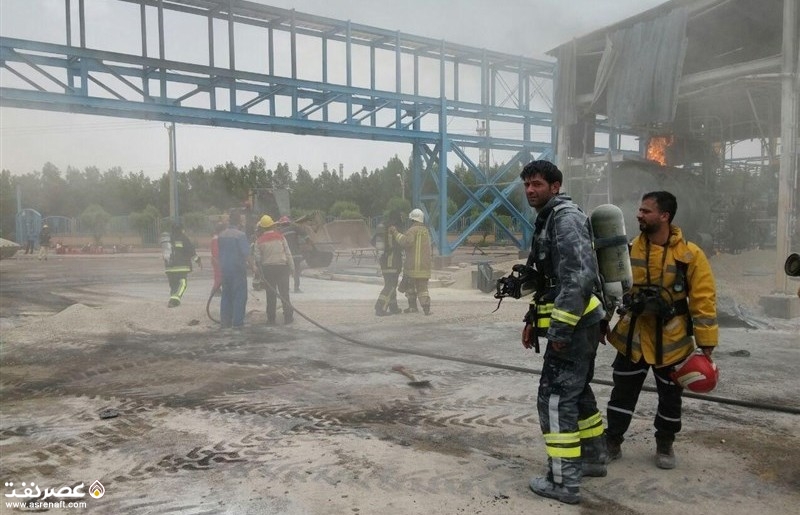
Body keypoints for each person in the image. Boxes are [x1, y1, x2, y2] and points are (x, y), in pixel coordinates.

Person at [605, 191, 718, 470]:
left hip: (672, 342)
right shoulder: (627, 250)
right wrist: (601, 321)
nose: (638, 215)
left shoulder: (690, 255)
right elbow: (610, 287)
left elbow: (703, 300)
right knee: (622, 392)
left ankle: (665, 443)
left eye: (646, 211)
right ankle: (612, 441)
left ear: (664, 216)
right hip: (633, 337)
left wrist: (706, 343)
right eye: (640, 210)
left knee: (670, 397)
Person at [519, 160, 607, 505]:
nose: (530, 190)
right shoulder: (550, 218)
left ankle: (563, 481)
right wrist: (532, 319)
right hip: (579, 324)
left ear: (556, 186)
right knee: (578, 392)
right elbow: (549, 281)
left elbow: (579, 277)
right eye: (527, 184)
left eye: (537, 184)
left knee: (554, 400)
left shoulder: (565, 218)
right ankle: (593, 457)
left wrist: (558, 329)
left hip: (573, 326)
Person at [254, 215, 294, 325]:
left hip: (268, 269)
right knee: (284, 293)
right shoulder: (280, 237)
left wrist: (260, 273)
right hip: (282, 268)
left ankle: (271, 319)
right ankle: (288, 318)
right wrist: (292, 268)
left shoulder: (259, 241)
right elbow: (288, 254)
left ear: (262, 227)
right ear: (272, 225)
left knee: (270, 295)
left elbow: (257, 259)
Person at [391, 208, 432, 315]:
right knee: (423, 288)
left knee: (410, 288)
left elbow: (406, 242)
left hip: (412, 266)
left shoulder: (411, 231)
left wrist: (395, 233)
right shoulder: (426, 231)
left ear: (413, 219)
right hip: (424, 267)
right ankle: (426, 308)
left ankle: (412, 307)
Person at [218, 210, 251, 328]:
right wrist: (254, 267)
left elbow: (219, 253)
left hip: (225, 270)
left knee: (226, 295)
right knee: (239, 296)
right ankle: (237, 323)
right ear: (239, 222)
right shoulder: (240, 235)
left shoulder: (221, 235)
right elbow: (246, 254)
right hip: (238, 270)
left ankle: (225, 321)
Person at [164, 223, 201, 307]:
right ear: (181, 230)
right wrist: (198, 260)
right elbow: (190, 251)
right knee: (182, 283)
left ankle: (173, 300)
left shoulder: (168, 239)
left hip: (169, 267)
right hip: (181, 267)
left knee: (173, 285)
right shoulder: (184, 238)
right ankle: (174, 300)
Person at [374, 210, 403, 316]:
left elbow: (375, 242)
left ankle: (393, 307)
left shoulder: (383, 226)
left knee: (390, 284)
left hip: (384, 261)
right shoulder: (395, 228)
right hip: (393, 261)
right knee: (391, 285)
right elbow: (402, 243)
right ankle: (380, 306)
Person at [278, 216, 306, 293]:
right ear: (288, 223)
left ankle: (285, 288)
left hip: (286, 256)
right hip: (296, 255)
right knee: (297, 271)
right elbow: (304, 233)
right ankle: (296, 288)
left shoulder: (279, 232)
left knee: (286, 272)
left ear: (281, 224)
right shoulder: (294, 228)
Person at [210, 221, 226, 293]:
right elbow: (216, 252)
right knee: (218, 276)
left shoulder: (216, 238)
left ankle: (217, 289)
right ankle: (216, 290)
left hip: (217, 260)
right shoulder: (216, 239)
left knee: (219, 275)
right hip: (217, 260)